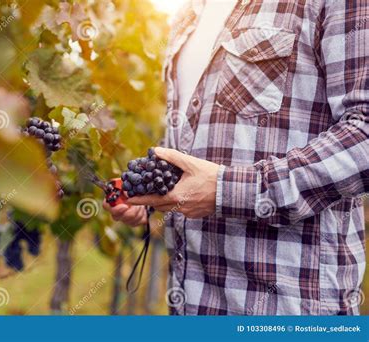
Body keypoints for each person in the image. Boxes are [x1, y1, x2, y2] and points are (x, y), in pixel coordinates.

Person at [103, 0, 368, 315]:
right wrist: (150, 187)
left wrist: (225, 189)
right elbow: (202, 144)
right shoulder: (189, 13)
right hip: (192, 306)